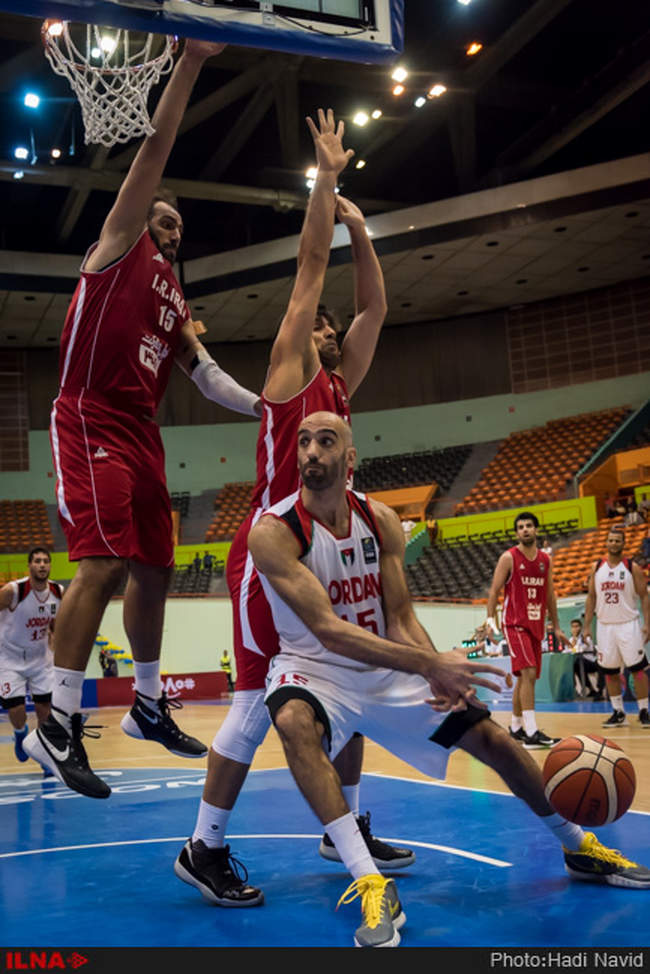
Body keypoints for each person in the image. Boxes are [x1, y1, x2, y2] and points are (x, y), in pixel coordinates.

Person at [246, 412, 650, 948]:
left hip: (388, 666)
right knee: (294, 720)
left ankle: (577, 844)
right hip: (317, 670)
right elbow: (327, 631)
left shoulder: (381, 519)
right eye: (303, 443)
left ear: (350, 458)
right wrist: (428, 664)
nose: (311, 452)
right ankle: (369, 881)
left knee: (491, 738)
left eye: (326, 441)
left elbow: (401, 618)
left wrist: (438, 668)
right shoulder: (273, 532)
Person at [174, 109, 409, 910]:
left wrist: (364, 231)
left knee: (350, 683)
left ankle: (343, 821)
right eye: (318, 323)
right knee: (253, 701)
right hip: (269, 554)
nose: (328, 326)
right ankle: (203, 847)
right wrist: (326, 179)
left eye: (331, 325)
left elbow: (375, 311)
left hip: (320, 549)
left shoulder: (340, 392)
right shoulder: (288, 378)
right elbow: (311, 264)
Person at [24, 39, 262, 800]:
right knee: (101, 564)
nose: (173, 222)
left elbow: (208, 374)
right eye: (164, 213)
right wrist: (190, 62)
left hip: (142, 434)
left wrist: (270, 408)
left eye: (179, 224)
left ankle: (149, 704)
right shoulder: (116, 246)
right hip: (90, 418)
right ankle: (56, 720)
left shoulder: (177, 300)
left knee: (157, 563)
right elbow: (154, 147)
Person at [485, 511, 566, 749]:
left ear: (536, 529)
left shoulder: (545, 560)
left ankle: (517, 726)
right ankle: (532, 732)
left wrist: (557, 625)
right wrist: (491, 620)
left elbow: (549, 594)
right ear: (516, 532)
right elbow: (494, 591)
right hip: (515, 623)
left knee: (524, 677)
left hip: (536, 624)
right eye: (520, 527)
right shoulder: (508, 558)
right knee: (528, 673)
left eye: (529, 525)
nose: (525, 530)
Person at [0, 547, 63, 774]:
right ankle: (20, 734)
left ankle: (45, 756)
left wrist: (56, 646)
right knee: (16, 708)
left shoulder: (58, 591)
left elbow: (56, 625)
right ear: (30, 565)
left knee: (44, 709)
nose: (42, 565)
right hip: (9, 657)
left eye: (46, 561)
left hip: (40, 658)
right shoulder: (14, 591)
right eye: (37, 561)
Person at [583, 526, 650, 728]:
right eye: (610, 540)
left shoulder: (632, 568)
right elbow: (591, 598)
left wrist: (647, 624)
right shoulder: (596, 567)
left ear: (623, 543)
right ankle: (618, 712)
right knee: (610, 672)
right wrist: (587, 626)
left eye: (617, 540)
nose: (613, 543)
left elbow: (644, 596)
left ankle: (644, 710)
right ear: (606, 543)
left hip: (628, 625)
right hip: (604, 626)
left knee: (638, 670)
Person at [566, 618, 604, 700]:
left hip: (592, 662)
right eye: (573, 627)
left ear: (581, 627)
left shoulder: (586, 637)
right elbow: (566, 651)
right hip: (581, 663)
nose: (575, 629)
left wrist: (573, 646)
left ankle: (598, 690)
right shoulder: (571, 639)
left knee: (578, 662)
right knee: (573, 665)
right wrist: (572, 645)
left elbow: (580, 650)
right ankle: (586, 688)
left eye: (577, 626)